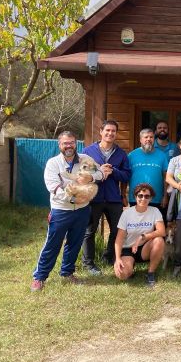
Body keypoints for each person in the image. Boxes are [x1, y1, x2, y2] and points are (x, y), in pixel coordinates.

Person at [31, 131, 104, 291]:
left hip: (82, 211)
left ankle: (67, 272)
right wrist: (74, 199)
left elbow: (101, 173)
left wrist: (90, 178)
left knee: (75, 242)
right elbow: (54, 187)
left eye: (71, 142)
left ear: (76, 143)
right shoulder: (53, 163)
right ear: (60, 145)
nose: (69, 146)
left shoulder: (86, 160)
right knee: (52, 244)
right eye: (65, 143)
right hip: (61, 210)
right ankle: (39, 277)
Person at [82, 120, 131, 273]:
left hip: (113, 198)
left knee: (117, 231)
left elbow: (127, 175)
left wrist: (114, 171)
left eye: (113, 131)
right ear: (101, 132)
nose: (110, 133)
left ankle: (108, 257)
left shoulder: (121, 154)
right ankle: (88, 263)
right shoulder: (88, 151)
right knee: (89, 231)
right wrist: (99, 172)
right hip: (93, 198)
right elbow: (81, 174)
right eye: (107, 130)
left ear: (116, 134)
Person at [113, 183, 165, 287]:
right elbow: (119, 239)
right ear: (135, 197)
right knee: (122, 275)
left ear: (151, 198)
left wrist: (143, 237)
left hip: (144, 248)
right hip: (128, 249)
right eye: (140, 195)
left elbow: (162, 231)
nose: (143, 198)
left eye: (147, 196)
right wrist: (118, 258)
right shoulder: (127, 213)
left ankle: (150, 273)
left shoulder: (155, 211)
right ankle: (130, 267)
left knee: (159, 240)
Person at [126, 128, 168, 210]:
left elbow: (166, 178)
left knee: (157, 223)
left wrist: (165, 196)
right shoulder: (131, 155)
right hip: (136, 199)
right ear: (140, 140)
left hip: (156, 199)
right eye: (146, 137)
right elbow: (125, 177)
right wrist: (124, 195)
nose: (148, 139)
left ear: (154, 139)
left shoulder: (162, 155)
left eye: (151, 137)